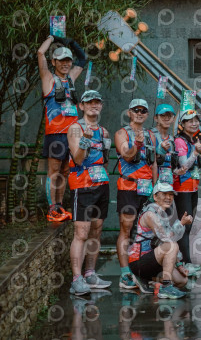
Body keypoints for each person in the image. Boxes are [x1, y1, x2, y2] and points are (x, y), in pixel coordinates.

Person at [37, 35, 87, 221]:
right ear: (54, 62)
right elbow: (40, 52)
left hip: (72, 135)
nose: (65, 64)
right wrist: (52, 37)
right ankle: (52, 209)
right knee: (54, 171)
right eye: (61, 60)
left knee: (66, 171)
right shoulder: (49, 79)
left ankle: (59, 206)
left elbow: (82, 59)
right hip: (55, 134)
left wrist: (71, 42)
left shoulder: (71, 79)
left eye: (68, 60)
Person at [67, 90, 112, 295]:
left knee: (96, 231)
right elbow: (77, 159)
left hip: (101, 183)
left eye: (97, 102)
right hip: (82, 185)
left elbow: (105, 160)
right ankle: (76, 279)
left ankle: (90, 274)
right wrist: (85, 140)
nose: (94, 105)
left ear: (101, 106)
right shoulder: (75, 128)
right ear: (82, 106)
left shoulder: (103, 132)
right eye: (89, 102)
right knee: (81, 233)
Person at [115, 98, 158, 289]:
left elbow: (153, 162)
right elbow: (127, 155)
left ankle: (143, 269)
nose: (139, 113)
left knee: (147, 230)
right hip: (128, 187)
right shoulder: (121, 133)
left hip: (147, 189)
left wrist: (156, 188)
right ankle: (125, 273)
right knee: (126, 228)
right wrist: (138, 145)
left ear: (147, 114)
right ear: (129, 112)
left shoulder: (151, 135)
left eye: (143, 110)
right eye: (136, 110)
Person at [128, 182, 191, 299]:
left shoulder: (161, 213)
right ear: (155, 197)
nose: (168, 197)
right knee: (171, 245)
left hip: (152, 260)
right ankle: (166, 287)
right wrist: (181, 223)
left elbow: (165, 240)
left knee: (182, 281)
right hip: (138, 262)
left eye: (171, 195)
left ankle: (147, 279)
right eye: (164, 194)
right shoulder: (150, 214)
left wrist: (179, 265)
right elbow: (167, 238)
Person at [173, 109, 201, 276]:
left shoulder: (192, 140)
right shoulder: (180, 141)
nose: (194, 123)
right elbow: (184, 165)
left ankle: (185, 261)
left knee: (188, 225)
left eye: (196, 120)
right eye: (190, 121)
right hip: (182, 188)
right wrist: (195, 153)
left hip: (192, 187)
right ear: (183, 124)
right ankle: (185, 263)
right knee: (184, 225)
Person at [151, 104, 178, 185]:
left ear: (173, 119)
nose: (166, 118)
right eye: (163, 115)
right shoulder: (149, 135)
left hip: (168, 183)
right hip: (151, 183)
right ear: (156, 118)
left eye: (169, 116)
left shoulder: (172, 139)